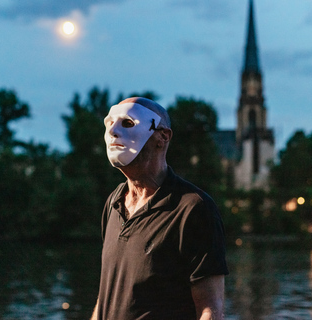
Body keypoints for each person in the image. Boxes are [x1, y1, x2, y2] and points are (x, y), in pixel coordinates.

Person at [91, 97, 229, 320]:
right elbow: (107, 293)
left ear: (162, 137)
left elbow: (210, 309)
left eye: (127, 123)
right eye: (109, 124)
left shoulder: (193, 208)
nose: (113, 132)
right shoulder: (114, 202)